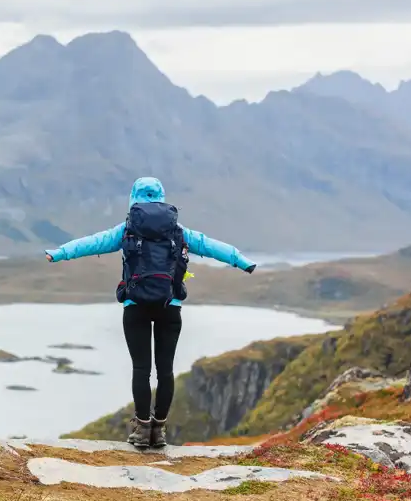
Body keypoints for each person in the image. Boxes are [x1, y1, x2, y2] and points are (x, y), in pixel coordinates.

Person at [44, 177, 256, 448]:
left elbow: (92, 243)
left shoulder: (127, 230)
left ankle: (142, 431)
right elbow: (211, 245)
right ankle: (160, 431)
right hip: (170, 307)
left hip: (136, 307)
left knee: (141, 369)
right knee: (165, 371)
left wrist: (59, 253)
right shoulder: (178, 231)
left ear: (133, 198)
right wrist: (242, 261)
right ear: (161, 197)